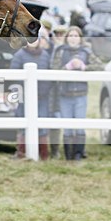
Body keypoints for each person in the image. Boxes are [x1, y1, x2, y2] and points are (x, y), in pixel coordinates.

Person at [51, 26, 104, 160]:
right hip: (64, 94)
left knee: (80, 126)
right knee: (67, 127)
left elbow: (100, 66)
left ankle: (79, 154)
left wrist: (84, 67)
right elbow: (54, 68)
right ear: (67, 37)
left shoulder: (86, 51)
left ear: (80, 38)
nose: (73, 39)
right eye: (71, 36)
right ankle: (68, 155)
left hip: (81, 94)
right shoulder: (60, 51)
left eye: (76, 36)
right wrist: (67, 67)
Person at [10, 28, 53, 159]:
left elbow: (49, 76)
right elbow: (15, 77)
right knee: (23, 125)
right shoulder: (19, 55)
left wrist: (43, 91)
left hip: (42, 97)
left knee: (42, 124)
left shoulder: (45, 55)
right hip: (25, 98)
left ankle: (44, 154)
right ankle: (22, 153)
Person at [47, 25, 68, 158]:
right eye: (57, 34)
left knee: (61, 118)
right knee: (51, 117)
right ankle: (51, 149)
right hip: (50, 89)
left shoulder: (68, 49)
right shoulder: (48, 47)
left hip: (64, 89)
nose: (59, 36)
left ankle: (62, 149)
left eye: (62, 34)